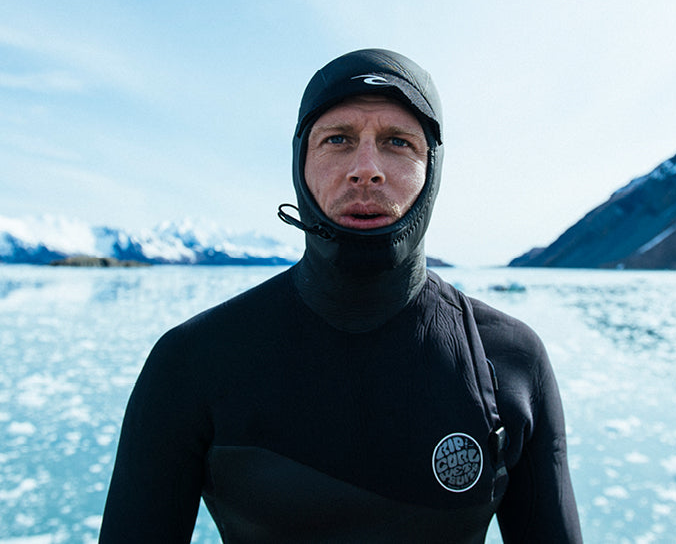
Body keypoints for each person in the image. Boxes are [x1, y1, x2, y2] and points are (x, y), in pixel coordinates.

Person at [99, 49, 583, 543]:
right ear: (301, 162)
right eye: (338, 139)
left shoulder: (511, 360)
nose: (366, 169)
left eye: (398, 142)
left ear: (432, 167)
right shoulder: (191, 363)